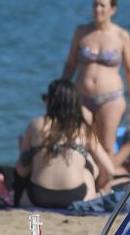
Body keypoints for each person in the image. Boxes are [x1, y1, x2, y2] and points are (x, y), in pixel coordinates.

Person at [61, 0, 130, 157]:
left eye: (102, 5)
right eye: (95, 5)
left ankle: (102, 183)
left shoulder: (121, 36)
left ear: (113, 9)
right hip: (81, 97)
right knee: (77, 143)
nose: (98, 9)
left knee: (106, 147)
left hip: (110, 99)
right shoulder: (82, 32)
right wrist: (60, 90)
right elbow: (70, 64)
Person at [15, 79, 115, 209]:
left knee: (36, 165)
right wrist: (101, 192)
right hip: (76, 196)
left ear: (51, 101)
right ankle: (94, 196)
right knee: (86, 171)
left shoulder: (35, 124)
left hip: (38, 197)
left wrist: (26, 151)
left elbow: (21, 171)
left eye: (46, 98)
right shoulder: (83, 129)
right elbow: (110, 171)